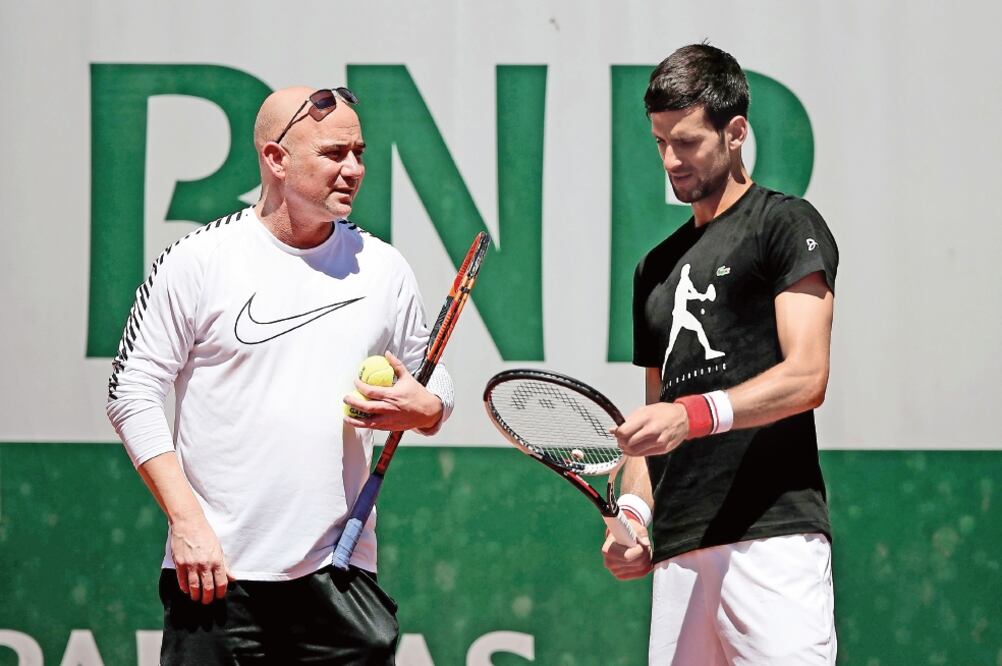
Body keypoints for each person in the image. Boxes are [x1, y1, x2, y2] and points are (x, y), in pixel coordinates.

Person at [106, 85, 454, 664]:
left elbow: (434, 383)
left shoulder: (385, 268)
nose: (353, 169)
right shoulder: (198, 261)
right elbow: (131, 391)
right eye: (334, 153)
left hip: (338, 577)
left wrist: (428, 409)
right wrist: (187, 523)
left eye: (359, 153)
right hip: (215, 574)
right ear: (276, 159)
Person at [602, 44, 839, 665]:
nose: (670, 161)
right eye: (659, 142)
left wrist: (693, 415)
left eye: (686, 142)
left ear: (735, 133)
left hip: (773, 540)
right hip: (679, 549)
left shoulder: (785, 225)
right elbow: (656, 418)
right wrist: (629, 516)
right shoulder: (654, 269)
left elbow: (807, 376)